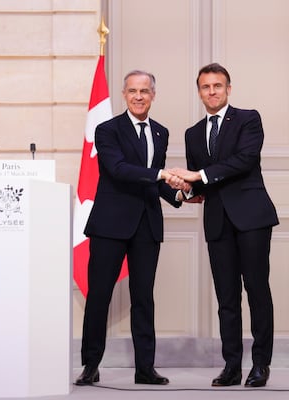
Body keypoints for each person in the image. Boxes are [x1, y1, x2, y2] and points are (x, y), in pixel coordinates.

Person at [76, 70, 188, 386]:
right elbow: (119, 170)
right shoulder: (107, 130)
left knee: (143, 298)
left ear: (153, 95)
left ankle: (145, 369)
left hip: (146, 226)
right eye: (133, 91)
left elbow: (153, 178)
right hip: (110, 225)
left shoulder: (161, 133)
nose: (139, 96)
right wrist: (164, 176)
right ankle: (90, 365)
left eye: (145, 91)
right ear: (124, 95)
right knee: (98, 295)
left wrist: (180, 193)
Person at [171, 63, 279, 387]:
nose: (212, 91)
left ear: (228, 89)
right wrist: (185, 191)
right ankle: (232, 365)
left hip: (252, 218)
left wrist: (199, 177)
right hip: (217, 221)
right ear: (199, 92)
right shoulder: (192, 134)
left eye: (218, 86)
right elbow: (198, 183)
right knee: (226, 298)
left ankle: (261, 364)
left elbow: (245, 160)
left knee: (257, 292)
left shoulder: (248, 119)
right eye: (206, 87)